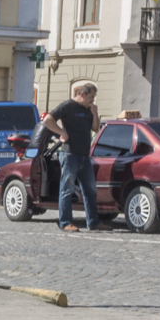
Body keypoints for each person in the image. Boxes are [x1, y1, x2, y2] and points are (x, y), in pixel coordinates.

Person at [46, 82, 100, 231]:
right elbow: (48, 119)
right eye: (91, 97)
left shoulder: (88, 109)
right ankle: (65, 222)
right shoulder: (67, 106)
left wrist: (95, 113)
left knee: (90, 190)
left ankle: (93, 222)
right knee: (67, 189)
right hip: (69, 154)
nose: (92, 100)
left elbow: (95, 128)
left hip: (84, 155)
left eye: (94, 97)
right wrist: (61, 132)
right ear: (82, 94)